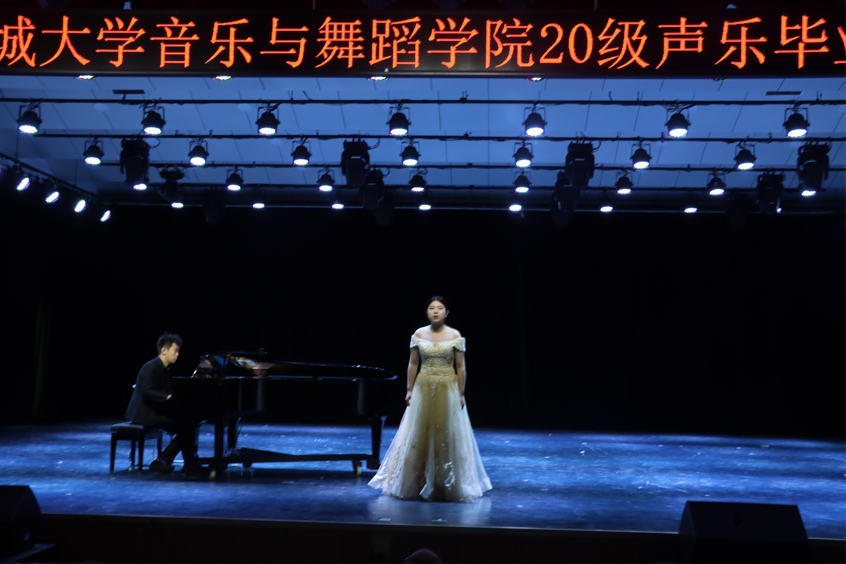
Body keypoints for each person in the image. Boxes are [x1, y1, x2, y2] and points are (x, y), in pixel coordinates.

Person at [368, 296, 491, 501]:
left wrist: (461, 393)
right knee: (418, 431)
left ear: (447, 312)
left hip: (447, 386)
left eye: (440, 308)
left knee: (446, 432)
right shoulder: (419, 334)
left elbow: (460, 366)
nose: (435, 311)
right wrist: (409, 389)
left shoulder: (454, 335)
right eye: (432, 308)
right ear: (426, 312)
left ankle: (445, 483)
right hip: (423, 386)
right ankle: (416, 481)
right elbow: (413, 363)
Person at [125, 333, 198, 473]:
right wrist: (168, 397)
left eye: (178, 351)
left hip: (155, 412)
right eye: (175, 351)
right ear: (164, 350)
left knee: (188, 426)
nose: (177, 354)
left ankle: (183, 463)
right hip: (145, 414)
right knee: (187, 426)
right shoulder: (150, 367)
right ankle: (175, 462)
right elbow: (146, 391)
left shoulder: (166, 369)